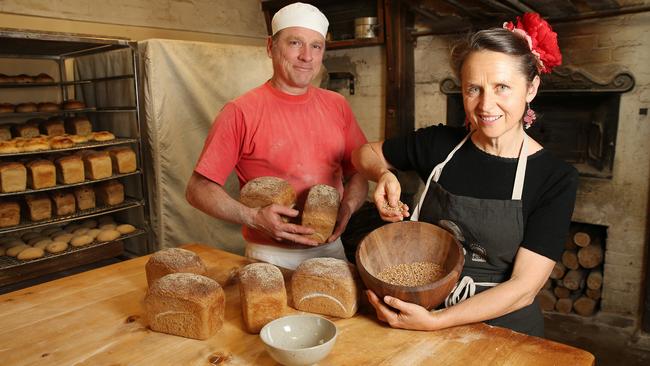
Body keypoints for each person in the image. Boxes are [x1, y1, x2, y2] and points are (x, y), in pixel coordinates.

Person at [351, 13, 577, 337]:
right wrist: (383, 174)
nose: (486, 105)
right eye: (474, 88)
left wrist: (438, 322)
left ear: (531, 88)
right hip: (420, 305)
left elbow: (524, 288)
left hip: (501, 330)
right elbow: (363, 153)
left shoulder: (554, 178)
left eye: (502, 87)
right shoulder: (438, 144)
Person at [186, 2, 368, 270]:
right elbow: (197, 189)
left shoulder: (337, 105)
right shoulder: (241, 111)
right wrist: (252, 217)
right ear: (271, 47)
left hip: (332, 251)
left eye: (316, 46)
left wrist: (349, 207)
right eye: (295, 43)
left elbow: (358, 173)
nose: (306, 56)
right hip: (271, 258)